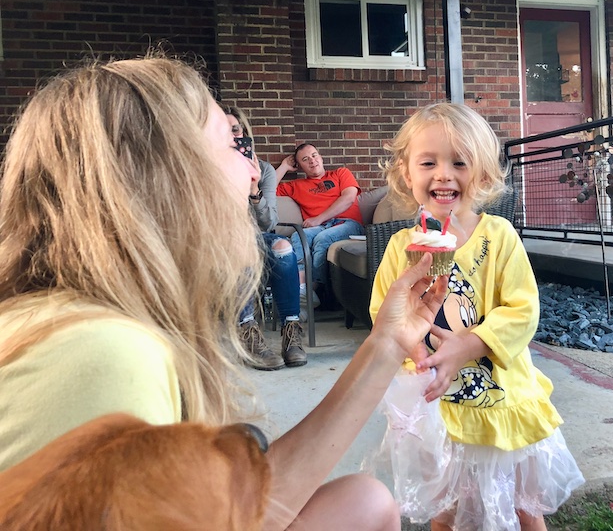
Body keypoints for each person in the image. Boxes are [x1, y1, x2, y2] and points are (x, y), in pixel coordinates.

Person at [0, 54, 448, 530]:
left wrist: (387, 345)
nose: (254, 174)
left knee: (365, 501)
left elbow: (220, 514)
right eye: (235, 147)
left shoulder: (94, 322)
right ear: (165, 176)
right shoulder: (103, 354)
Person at [370, 103, 585, 531]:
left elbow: (523, 309)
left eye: (459, 163)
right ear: (406, 173)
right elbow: (384, 313)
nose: (443, 175)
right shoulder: (401, 247)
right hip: (438, 405)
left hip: (501, 399)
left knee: (525, 507)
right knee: (444, 510)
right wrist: (418, 351)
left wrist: (470, 344)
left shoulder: (498, 236)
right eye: (428, 163)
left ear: (483, 174)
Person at [222, 104, 306, 369]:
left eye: (235, 130)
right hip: (221, 241)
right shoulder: (207, 170)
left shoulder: (264, 170)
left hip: (257, 235)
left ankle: (291, 334)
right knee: (240, 247)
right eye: (223, 130)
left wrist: (253, 189)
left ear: (244, 133)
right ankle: (248, 332)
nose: (231, 136)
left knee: (282, 246)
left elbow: (269, 222)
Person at [275, 143, 365, 309]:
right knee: (298, 236)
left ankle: (312, 290)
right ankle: (303, 289)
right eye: (305, 159)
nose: (312, 160)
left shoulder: (341, 173)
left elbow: (349, 198)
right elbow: (266, 191)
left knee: (323, 239)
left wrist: (318, 219)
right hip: (320, 228)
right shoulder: (296, 186)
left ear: (321, 157)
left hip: (347, 224)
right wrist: (284, 166)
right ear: (299, 166)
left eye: (314, 155)